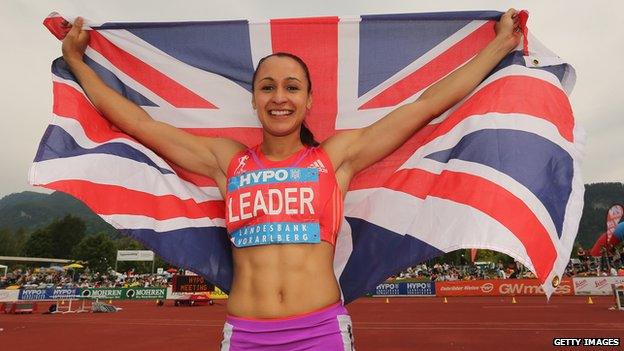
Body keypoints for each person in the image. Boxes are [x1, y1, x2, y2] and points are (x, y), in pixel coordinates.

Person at [61, 9, 521, 350]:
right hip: (245, 335)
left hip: (320, 332)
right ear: (255, 99)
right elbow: (140, 124)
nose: (279, 97)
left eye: (291, 87)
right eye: (268, 87)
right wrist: (79, 64)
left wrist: (500, 45)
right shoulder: (228, 161)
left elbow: (424, 106)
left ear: (308, 101)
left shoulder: (335, 159)